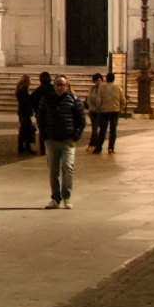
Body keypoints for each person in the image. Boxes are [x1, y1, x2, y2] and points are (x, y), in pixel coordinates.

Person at [37, 73, 87, 208]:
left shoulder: (74, 100)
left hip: (68, 140)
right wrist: (45, 135)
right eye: (57, 84)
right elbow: (40, 117)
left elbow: (81, 120)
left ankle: (67, 196)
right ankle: (55, 198)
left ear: (67, 86)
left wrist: (75, 135)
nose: (59, 87)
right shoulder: (46, 99)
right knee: (53, 170)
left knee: (68, 168)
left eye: (62, 85)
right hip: (52, 139)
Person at [94, 71, 125, 154]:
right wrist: (120, 108)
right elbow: (123, 100)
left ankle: (99, 147)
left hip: (104, 111)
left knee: (102, 130)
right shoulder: (118, 87)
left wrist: (99, 108)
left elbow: (98, 100)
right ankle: (111, 148)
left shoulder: (102, 87)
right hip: (115, 110)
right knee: (113, 130)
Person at [30, 71, 55, 152]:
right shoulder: (53, 88)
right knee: (52, 130)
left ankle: (43, 148)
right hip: (52, 113)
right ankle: (51, 147)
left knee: (42, 131)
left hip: (40, 114)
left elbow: (32, 101)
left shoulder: (38, 90)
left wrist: (35, 109)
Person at [15, 74, 37, 154]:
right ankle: (23, 146)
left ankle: (24, 146)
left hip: (23, 111)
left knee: (25, 129)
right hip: (24, 112)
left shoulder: (21, 89)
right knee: (25, 129)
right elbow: (25, 101)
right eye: (29, 80)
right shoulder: (22, 90)